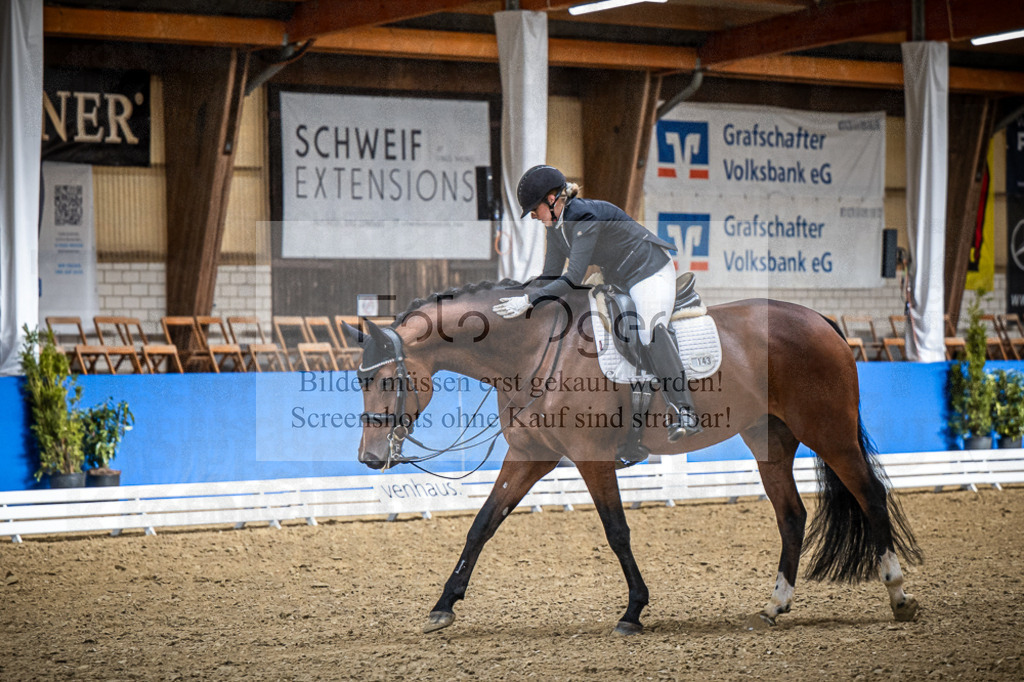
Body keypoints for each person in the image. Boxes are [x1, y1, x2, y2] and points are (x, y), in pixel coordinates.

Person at [493, 164, 702, 443]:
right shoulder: (556, 226)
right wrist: (521, 292)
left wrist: (530, 299)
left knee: (649, 329)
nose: (532, 215)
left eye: (534, 208)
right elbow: (550, 277)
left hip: (649, 270)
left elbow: (571, 280)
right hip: (620, 277)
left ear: (553, 199)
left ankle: (684, 409)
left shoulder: (584, 217)